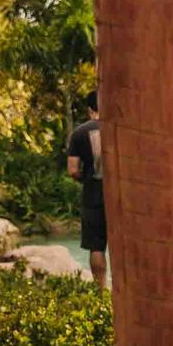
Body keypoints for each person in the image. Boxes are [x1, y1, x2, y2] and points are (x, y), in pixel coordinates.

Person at [66, 90, 107, 288]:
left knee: (96, 246)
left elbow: (72, 170)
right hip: (123, 196)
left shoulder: (79, 133)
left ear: (90, 110)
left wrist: (86, 179)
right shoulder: (122, 129)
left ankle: (101, 290)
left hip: (93, 195)